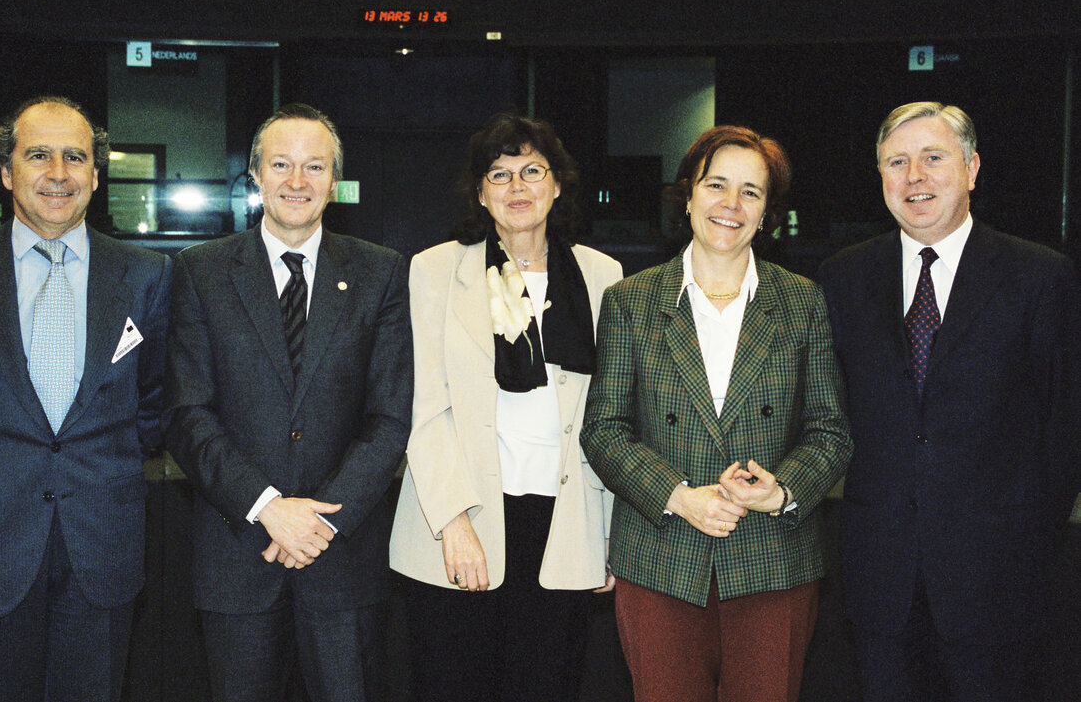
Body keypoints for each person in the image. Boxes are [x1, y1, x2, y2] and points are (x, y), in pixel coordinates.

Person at [0, 96, 173, 702]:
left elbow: (155, 399)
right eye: (38, 155)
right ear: (6, 171)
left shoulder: (146, 275)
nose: (58, 173)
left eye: (76, 157)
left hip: (102, 540)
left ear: (96, 176)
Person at [817, 102, 1081, 702]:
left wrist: (1025, 546)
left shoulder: (1041, 278)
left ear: (972, 168)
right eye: (897, 162)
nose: (915, 177)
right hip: (876, 580)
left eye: (933, 158)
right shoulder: (841, 280)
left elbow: (1064, 432)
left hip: (998, 584)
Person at [581, 125, 853, 702]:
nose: (731, 205)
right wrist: (680, 495)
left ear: (767, 213)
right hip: (661, 555)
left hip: (772, 555)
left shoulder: (803, 301)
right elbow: (604, 429)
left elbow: (829, 431)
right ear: (687, 196)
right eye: (716, 185)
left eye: (751, 192)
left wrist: (780, 492)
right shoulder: (631, 301)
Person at [162, 103, 412, 702]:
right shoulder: (201, 272)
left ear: (335, 181)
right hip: (238, 554)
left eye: (314, 167)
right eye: (281, 164)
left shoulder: (380, 273)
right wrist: (268, 506)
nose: (297, 182)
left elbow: (389, 418)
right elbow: (187, 413)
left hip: (342, 559)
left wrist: (319, 521)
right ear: (254, 175)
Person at [389, 113, 622, 702]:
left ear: (558, 183)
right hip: (459, 519)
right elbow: (423, 406)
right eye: (500, 175)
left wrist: (612, 536)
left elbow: (615, 415)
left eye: (531, 171)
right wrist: (454, 522)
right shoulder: (435, 269)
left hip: (565, 526)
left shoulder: (603, 277)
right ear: (480, 193)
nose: (517, 188)